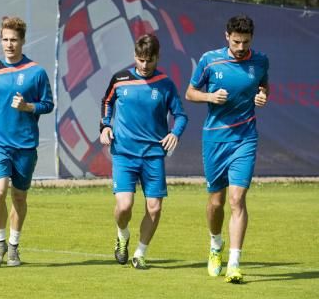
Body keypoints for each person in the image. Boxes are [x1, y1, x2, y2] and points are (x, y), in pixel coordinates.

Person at [185, 15, 269, 284]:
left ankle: (234, 263)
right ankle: (215, 245)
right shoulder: (210, 60)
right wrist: (209, 96)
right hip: (215, 140)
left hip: (245, 138)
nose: (241, 47)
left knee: (237, 200)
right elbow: (190, 92)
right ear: (226, 37)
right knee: (216, 203)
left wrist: (263, 95)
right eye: (236, 41)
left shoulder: (261, 61)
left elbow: (263, 84)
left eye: (245, 42)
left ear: (251, 38)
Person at [98, 34, 188, 269]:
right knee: (124, 206)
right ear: (134, 56)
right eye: (140, 59)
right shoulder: (120, 79)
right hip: (124, 153)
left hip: (153, 155)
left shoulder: (165, 84)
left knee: (155, 207)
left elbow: (180, 115)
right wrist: (105, 126)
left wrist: (174, 133)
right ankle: (122, 234)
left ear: (157, 57)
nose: (144, 65)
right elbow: (106, 102)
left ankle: (140, 253)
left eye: (149, 60)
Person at [0, 15, 53, 267]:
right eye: (5, 40)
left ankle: (14, 247)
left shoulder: (36, 72)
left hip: (25, 144)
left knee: (19, 196)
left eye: (14, 40)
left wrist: (28, 106)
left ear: (22, 41)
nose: (9, 44)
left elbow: (48, 104)